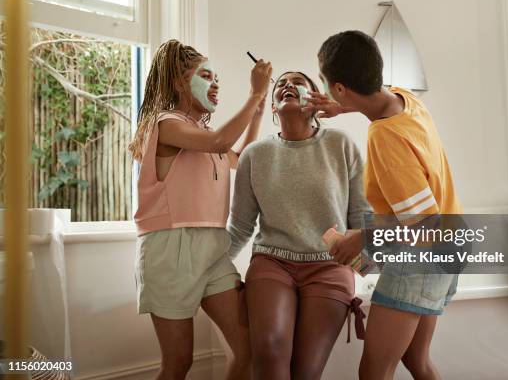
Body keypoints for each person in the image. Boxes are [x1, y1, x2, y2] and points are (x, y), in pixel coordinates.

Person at [303, 30, 462, 380]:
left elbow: (423, 222)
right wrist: (341, 106)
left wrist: (359, 239)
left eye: (325, 83)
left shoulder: (385, 138)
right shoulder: (404, 100)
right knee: (416, 362)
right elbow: (376, 100)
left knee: (375, 370)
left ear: (341, 87)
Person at [129, 39, 272, 380]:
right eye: (206, 76)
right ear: (179, 83)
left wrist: (258, 110)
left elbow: (240, 156)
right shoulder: (165, 124)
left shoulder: (202, 133)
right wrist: (252, 95)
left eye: (216, 77)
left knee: (247, 348)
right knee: (178, 362)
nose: (216, 83)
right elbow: (221, 143)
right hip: (169, 248)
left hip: (213, 248)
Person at [227, 71, 371, 380]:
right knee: (268, 349)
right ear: (275, 107)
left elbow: (360, 216)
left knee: (306, 371)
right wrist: (211, 267)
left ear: (317, 99)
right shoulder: (255, 155)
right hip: (272, 263)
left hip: (331, 266)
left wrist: (373, 268)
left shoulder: (340, 144)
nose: (287, 86)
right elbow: (240, 226)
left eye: (298, 81)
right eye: (281, 84)